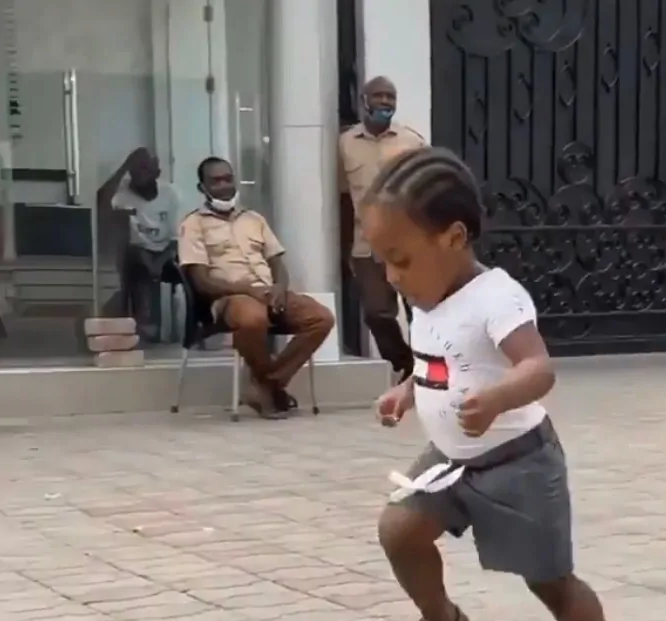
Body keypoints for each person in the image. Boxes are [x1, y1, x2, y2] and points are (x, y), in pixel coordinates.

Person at [364, 146, 638, 621]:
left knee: (551, 581)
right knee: (399, 530)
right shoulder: (425, 296)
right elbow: (437, 360)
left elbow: (537, 368)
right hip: (451, 462)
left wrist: (497, 399)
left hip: (519, 463)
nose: (391, 276)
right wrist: (407, 391)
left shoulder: (496, 297)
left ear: (453, 238)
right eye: (382, 260)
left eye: (400, 259)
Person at [179, 157, 334, 418]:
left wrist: (280, 288)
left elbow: (277, 264)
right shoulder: (193, 224)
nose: (224, 186)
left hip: (268, 294)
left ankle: (266, 384)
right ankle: (269, 388)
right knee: (252, 318)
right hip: (229, 298)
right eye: (216, 181)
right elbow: (201, 281)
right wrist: (246, 289)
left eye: (228, 179)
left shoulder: (254, 219)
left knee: (321, 318)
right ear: (201, 188)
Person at [339, 76, 427, 381]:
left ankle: (427, 369)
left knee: (420, 310)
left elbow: (428, 191)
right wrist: (343, 248)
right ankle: (404, 363)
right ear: (364, 101)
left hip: (409, 243)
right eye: (378, 96)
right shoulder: (345, 143)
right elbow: (343, 197)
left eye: (390, 97)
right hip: (366, 244)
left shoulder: (412, 142)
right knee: (377, 313)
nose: (385, 102)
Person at [99, 148, 180, 341]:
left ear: (156, 173)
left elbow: (178, 239)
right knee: (138, 264)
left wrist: (159, 262)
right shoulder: (122, 191)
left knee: (189, 270)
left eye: (145, 169)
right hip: (136, 253)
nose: (139, 174)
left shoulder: (170, 194)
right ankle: (142, 324)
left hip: (166, 251)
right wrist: (124, 167)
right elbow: (100, 200)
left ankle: (183, 326)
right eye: (135, 169)